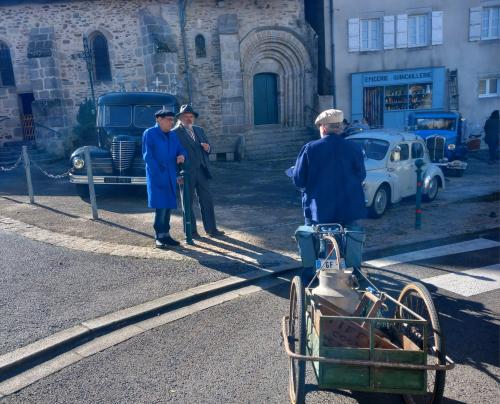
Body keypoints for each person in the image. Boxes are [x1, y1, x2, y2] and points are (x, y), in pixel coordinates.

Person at [293, 109, 366, 227]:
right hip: (348, 209)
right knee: (351, 241)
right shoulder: (354, 148)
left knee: (312, 240)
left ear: (323, 128)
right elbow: (361, 175)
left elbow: (299, 180)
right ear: (340, 128)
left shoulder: (310, 149)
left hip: (318, 210)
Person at [174, 104, 225, 238]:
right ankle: (191, 231)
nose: (189, 119)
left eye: (191, 117)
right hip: (185, 172)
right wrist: (176, 174)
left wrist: (208, 148)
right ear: (180, 118)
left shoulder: (199, 130)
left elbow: (209, 150)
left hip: (202, 170)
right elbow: (172, 155)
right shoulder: (174, 133)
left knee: (207, 200)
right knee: (187, 202)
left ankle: (211, 229)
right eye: (185, 117)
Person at [142, 108, 187, 249]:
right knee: (161, 207)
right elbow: (148, 156)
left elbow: (181, 149)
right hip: (157, 176)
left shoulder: (172, 135)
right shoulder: (150, 133)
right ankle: (158, 236)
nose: (171, 122)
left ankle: (166, 235)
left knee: (168, 207)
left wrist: (182, 155)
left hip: (171, 174)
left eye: (172, 120)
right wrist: (158, 173)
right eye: (168, 120)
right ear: (158, 119)